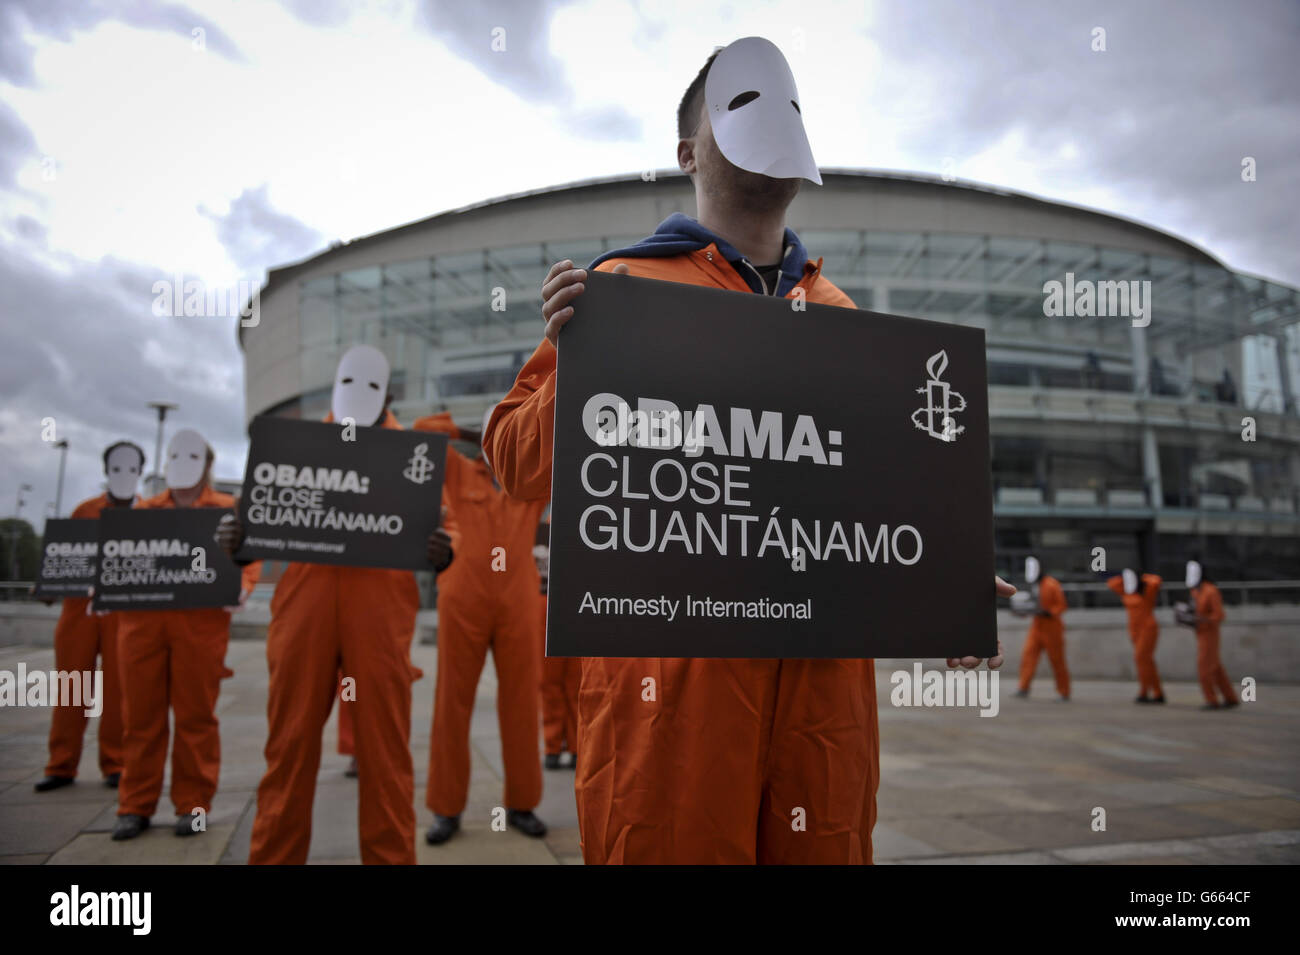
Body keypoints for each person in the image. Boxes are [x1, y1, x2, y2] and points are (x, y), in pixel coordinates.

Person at [483, 38, 1009, 864]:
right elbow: (515, 463)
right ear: (687, 151)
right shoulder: (618, 291)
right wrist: (577, 365)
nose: (773, 120)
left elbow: (880, 504)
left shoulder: (847, 322)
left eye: (790, 107)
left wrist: (948, 578)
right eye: (741, 106)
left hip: (823, 701)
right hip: (669, 701)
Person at [219, 344, 455, 865]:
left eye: (372, 387)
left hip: (381, 620)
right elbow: (251, 524)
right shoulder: (294, 446)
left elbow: (446, 527)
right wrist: (236, 541)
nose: (359, 395)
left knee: (386, 756)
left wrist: (444, 549)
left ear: (389, 395)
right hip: (303, 613)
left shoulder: (413, 457)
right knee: (288, 750)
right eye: (349, 384)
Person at [112, 429, 261, 840]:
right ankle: (134, 806)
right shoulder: (142, 511)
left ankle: (193, 806)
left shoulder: (228, 511)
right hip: (141, 627)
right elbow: (117, 561)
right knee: (140, 718)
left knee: (196, 717)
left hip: (201, 627)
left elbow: (249, 558)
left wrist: (243, 586)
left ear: (208, 466)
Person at [412, 410, 549, 845]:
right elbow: (421, 432)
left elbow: (564, 445)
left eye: (509, 434)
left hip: (518, 598)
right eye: (499, 432)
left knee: (523, 701)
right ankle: (446, 808)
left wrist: (520, 433)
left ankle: (523, 803)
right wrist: (477, 432)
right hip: (463, 596)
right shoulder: (457, 469)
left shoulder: (531, 479)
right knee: (451, 701)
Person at [34, 440, 144, 793]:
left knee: (117, 692)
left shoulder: (148, 516)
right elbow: (64, 559)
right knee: (72, 688)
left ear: (140, 472)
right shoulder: (84, 510)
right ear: (105, 470)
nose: (124, 474)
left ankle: (115, 763)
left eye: (131, 468)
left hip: (121, 615)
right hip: (78, 613)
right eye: (116, 468)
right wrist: (48, 586)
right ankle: (61, 765)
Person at [534, 516, 578, 770]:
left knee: (574, 681)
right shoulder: (536, 521)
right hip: (544, 600)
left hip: (573, 601)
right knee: (549, 681)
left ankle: (573, 746)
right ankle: (554, 745)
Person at [1180, 560, 1238, 710]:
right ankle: (1231, 698)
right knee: (1216, 668)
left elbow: (1219, 615)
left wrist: (1204, 619)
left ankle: (1211, 700)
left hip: (1210, 633)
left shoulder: (1211, 590)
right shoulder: (1195, 591)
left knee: (1204, 668)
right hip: (1199, 632)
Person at [1014, 556, 1069, 701]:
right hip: (1037, 625)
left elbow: (1061, 605)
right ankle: (1023, 687)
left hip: (1052, 627)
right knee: (1028, 656)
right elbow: (1032, 605)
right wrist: (1023, 612)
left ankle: (1064, 691)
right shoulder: (1034, 585)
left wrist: (1050, 612)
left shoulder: (1052, 584)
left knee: (1057, 660)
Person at [1107, 568, 1164, 703]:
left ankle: (1144, 692)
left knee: (1141, 658)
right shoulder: (1126, 591)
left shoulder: (1146, 591)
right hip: (1134, 629)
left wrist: (1142, 577)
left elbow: (1156, 581)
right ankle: (1158, 693)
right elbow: (1111, 583)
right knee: (1147, 661)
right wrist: (1124, 575)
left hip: (1148, 628)